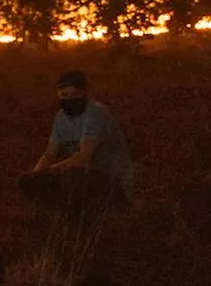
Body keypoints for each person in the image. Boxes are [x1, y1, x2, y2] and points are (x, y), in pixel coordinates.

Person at [18, 70, 133, 211]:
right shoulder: (61, 117)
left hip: (113, 180)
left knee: (71, 179)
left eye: (75, 94)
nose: (69, 99)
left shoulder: (96, 113)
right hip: (84, 176)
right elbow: (49, 153)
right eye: (64, 95)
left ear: (85, 93)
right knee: (28, 182)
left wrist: (51, 171)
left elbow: (83, 158)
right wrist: (36, 174)